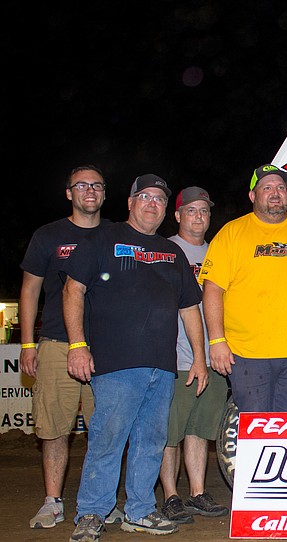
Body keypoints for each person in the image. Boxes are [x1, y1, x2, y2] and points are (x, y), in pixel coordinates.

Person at [63, 174, 207, 541]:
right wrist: (78, 345)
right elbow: (73, 289)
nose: (152, 203)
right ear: (129, 202)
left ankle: (140, 510)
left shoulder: (172, 252)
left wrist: (200, 358)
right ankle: (93, 512)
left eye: (159, 199)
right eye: (145, 196)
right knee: (108, 438)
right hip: (114, 364)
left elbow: (191, 306)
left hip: (162, 365)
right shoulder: (101, 239)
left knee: (151, 440)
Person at [19, 165, 116, 529]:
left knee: (104, 430)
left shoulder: (117, 235)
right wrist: (29, 342)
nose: (89, 191)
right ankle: (53, 501)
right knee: (55, 429)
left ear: (105, 194)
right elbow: (29, 289)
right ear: (69, 193)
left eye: (97, 185)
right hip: (58, 344)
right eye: (81, 185)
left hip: (107, 349)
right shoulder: (48, 235)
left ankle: (101, 503)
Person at [199, 164, 287, 413]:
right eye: (267, 187)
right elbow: (213, 289)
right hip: (247, 355)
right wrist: (217, 340)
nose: (275, 193)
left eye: (281, 187)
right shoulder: (231, 233)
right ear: (252, 196)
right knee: (256, 431)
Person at [159, 187, 229, 524]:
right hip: (176, 356)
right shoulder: (166, 248)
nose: (198, 216)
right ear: (177, 215)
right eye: (191, 210)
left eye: (204, 210)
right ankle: (171, 495)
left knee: (200, 428)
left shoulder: (219, 250)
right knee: (170, 431)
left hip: (213, 355)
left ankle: (197, 492)